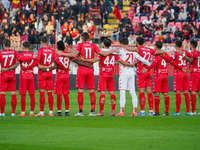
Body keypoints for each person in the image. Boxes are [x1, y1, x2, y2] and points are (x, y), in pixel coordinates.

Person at [57, 32, 118, 116]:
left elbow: (74, 54)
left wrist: (61, 53)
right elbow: (103, 54)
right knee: (91, 91)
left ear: (82, 38)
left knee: (80, 90)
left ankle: (81, 112)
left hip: (82, 70)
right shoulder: (93, 45)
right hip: (90, 69)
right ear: (89, 38)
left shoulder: (80, 45)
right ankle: (92, 111)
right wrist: (113, 50)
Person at [79, 39, 134, 116]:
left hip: (103, 75)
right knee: (112, 93)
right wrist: (131, 65)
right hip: (111, 75)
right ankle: (113, 111)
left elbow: (94, 60)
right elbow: (123, 62)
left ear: (103, 44)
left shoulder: (101, 52)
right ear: (110, 45)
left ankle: (101, 112)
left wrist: (83, 59)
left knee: (102, 93)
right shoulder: (114, 53)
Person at [41, 41, 93, 116]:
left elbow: (55, 66)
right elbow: (77, 62)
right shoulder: (68, 54)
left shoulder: (57, 55)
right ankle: (67, 111)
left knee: (59, 94)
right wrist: (88, 66)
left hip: (59, 76)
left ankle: (59, 111)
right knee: (66, 94)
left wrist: (47, 70)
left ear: (57, 47)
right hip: (66, 76)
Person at [121, 37, 164, 116]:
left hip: (141, 71)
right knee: (149, 92)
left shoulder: (138, 49)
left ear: (137, 42)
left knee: (141, 92)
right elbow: (158, 52)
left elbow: (129, 49)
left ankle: (143, 111)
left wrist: (123, 46)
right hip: (148, 72)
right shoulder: (149, 49)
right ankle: (151, 111)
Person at [116, 38, 150, 116]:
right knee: (133, 92)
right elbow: (143, 60)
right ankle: (135, 111)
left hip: (124, 72)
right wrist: (148, 65)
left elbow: (115, 52)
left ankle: (121, 111)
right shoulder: (133, 52)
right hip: (131, 72)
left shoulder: (121, 51)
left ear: (121, 44)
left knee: (122, 91)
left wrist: (118, 49)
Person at [141, 41, 171, 116]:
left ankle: (157, 112)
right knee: (166, 94)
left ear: (156, 47)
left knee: (156, 93)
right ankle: (166, 111)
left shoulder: (156, 56)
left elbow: (154, 64)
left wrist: (147, 69)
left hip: (158, 75)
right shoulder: (165, 54)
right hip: (165, 75)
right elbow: (170, 60)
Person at [35, 36, 56, 117]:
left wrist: (44, 67)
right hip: (49, 74)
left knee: (42, 93)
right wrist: (48, 67)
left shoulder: (39, 51)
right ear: (48, 42)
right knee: (50, 93)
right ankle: (51, 112)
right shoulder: (52, 51)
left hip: (42, 74)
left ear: (41, 42)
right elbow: (56, 63)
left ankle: (42, 112)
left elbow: (39, 66)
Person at [177, 40, 200, 115]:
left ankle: (193, 111)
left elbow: (190, 58)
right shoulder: (199, 53)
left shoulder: (193, 53)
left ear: (191, 46)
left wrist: (182, 54)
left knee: (192, 91)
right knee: (199, 92)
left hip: (195, 73)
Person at [170, 40, 191, 116]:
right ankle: (187, 111)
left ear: (175, 45)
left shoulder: (175, 52)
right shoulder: (185, 52)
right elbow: (191, 57)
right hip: (185, 73)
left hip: (178, 73)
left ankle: (177, 111)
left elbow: (170, 60)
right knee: (186, 92)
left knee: (178, 92)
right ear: (181, 45)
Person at [15, 41, 36, 117]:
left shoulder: (20, 55)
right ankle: (31, 112)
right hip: (31, 75)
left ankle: (23, 112)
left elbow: (19, 61)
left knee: (23, 95)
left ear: (22, 47)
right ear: (29, 47)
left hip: (23, 76)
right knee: (32, 95)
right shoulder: (33, 55)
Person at [0, 39, 20, 117]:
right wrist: (10, 68)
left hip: (3, 75)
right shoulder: (15, 52)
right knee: (13, 94)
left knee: (2, 94)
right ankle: (13, 113)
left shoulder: (1, 53)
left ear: (4, 45)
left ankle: (2, 113)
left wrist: (5, 68)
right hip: (12, 75)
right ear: (10, 45)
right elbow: (18, 62)